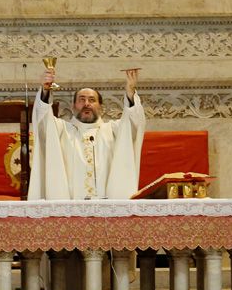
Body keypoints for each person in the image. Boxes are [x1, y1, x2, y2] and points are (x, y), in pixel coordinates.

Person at [28, 66, 145, 200]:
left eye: (92, 100)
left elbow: (134, 123)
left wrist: (130, 93)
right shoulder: (60, 130)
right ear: (73, 106)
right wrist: (45, 91)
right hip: (70, 207)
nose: (87, 104)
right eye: (81, 100)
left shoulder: (114, 130)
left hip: (108, 208)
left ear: (101, 107)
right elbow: (42, 119)